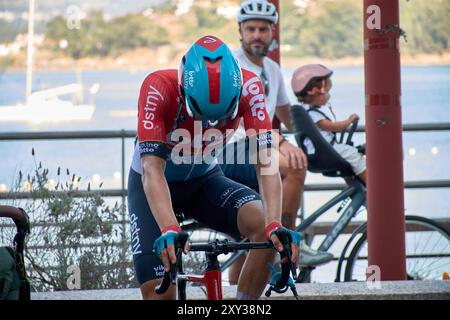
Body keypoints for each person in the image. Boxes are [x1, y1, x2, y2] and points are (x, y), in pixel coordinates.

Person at [127, 35, 301, 300]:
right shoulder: (158, 87)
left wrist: (275, 223)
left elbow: (266, 163)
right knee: (159, 295)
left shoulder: (250, 87)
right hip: (154, 186)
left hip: (204, 180)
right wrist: (169, 227)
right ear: (184, 91)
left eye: (221, 118)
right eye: (200, 115)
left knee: (266, 229)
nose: (211, 123)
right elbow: (152, 169)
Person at [220, 0, 334, 283]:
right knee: (294, 165)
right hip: (230, 151)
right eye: (250, 29)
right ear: (240, 32)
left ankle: (238, 289)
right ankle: (289, 238)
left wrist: (322, 130)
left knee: (251, 238)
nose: (256, 35)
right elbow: (241, 121)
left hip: (257, 150)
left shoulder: (271, 69)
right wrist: (283, 143)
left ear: (273, 32)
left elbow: (286, 114)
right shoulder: (232, 66)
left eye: (263, 29)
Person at [291, 64, 367, 184]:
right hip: (324, 151)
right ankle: (371, 184)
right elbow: (332, 127)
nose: (328, 96)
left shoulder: (306, 111)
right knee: (352, 155)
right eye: (327, 91)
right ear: (315, 91)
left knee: (349, 153)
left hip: (321, 151)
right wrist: (349, 121)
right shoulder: (313, 114)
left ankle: (355, 184)